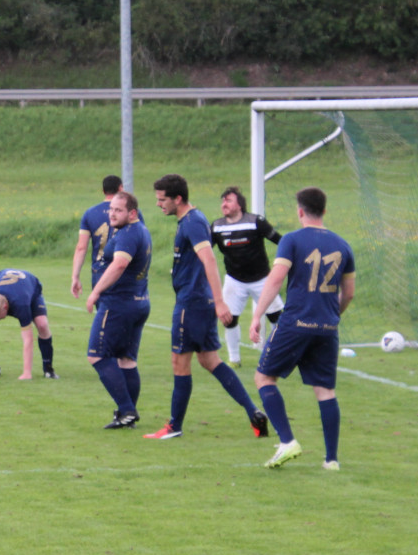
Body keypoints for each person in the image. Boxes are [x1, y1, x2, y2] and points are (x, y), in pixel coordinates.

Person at [142, 174, 268, 440]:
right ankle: (254, 412)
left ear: (178, 199)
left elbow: (209, 259)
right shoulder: (191, 220)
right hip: (199, 301)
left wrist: (220, 301)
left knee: (179, 362)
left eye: (162, 199)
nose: (158, 204)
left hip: (192, 303)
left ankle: (174, 426)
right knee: (210, 360)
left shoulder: (193, 222)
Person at [250, 187, 355, 470]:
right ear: (324, 210)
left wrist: (257, 315)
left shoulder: (292, 240)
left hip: (295, 323)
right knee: (325, 390)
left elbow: (275, 279)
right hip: (327, 327)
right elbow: (349, 293)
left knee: (264, 378)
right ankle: (331, 460)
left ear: (300, 211)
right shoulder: (343, 245)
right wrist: (334, 315)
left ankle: (287, 441)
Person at [84, 192, 151, 429]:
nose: (112, 213)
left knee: (97, 355)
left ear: (132, 213)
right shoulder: (139, 230)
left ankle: (127, 409)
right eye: (111, 209)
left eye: (118, 210)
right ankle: (127, 416)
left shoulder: (129, 234)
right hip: (139, 302)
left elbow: (119, 264)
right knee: (126, 360)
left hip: (119, 304)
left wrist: (95, 292)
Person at [211, 185, 285, 367]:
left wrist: (287, 261)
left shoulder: (255, 222)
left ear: (240, 205)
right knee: (229, 319)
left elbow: (281, 241)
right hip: (234, 280)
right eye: (222, 201)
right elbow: (205, 251)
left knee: (278, 318)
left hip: (262, 280)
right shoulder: (217, 227)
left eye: (228, 200)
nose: (224, 204)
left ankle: (277, 356)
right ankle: (234, 359)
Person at [0, 268, 55, 380]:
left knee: (42, 324)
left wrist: (26, 373)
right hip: (7, 281)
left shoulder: (21, 304)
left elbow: (28, 339)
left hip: (31, 288)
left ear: (5, 307)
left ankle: (48, 369)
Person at [71, 175, 123, 299]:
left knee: (103, 314)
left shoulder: (90, 213)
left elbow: (81, 248)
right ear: (121, 189)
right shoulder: (130, 212)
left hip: (100, 271)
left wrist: (75, 276)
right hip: (123, 271)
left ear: (103, 191)